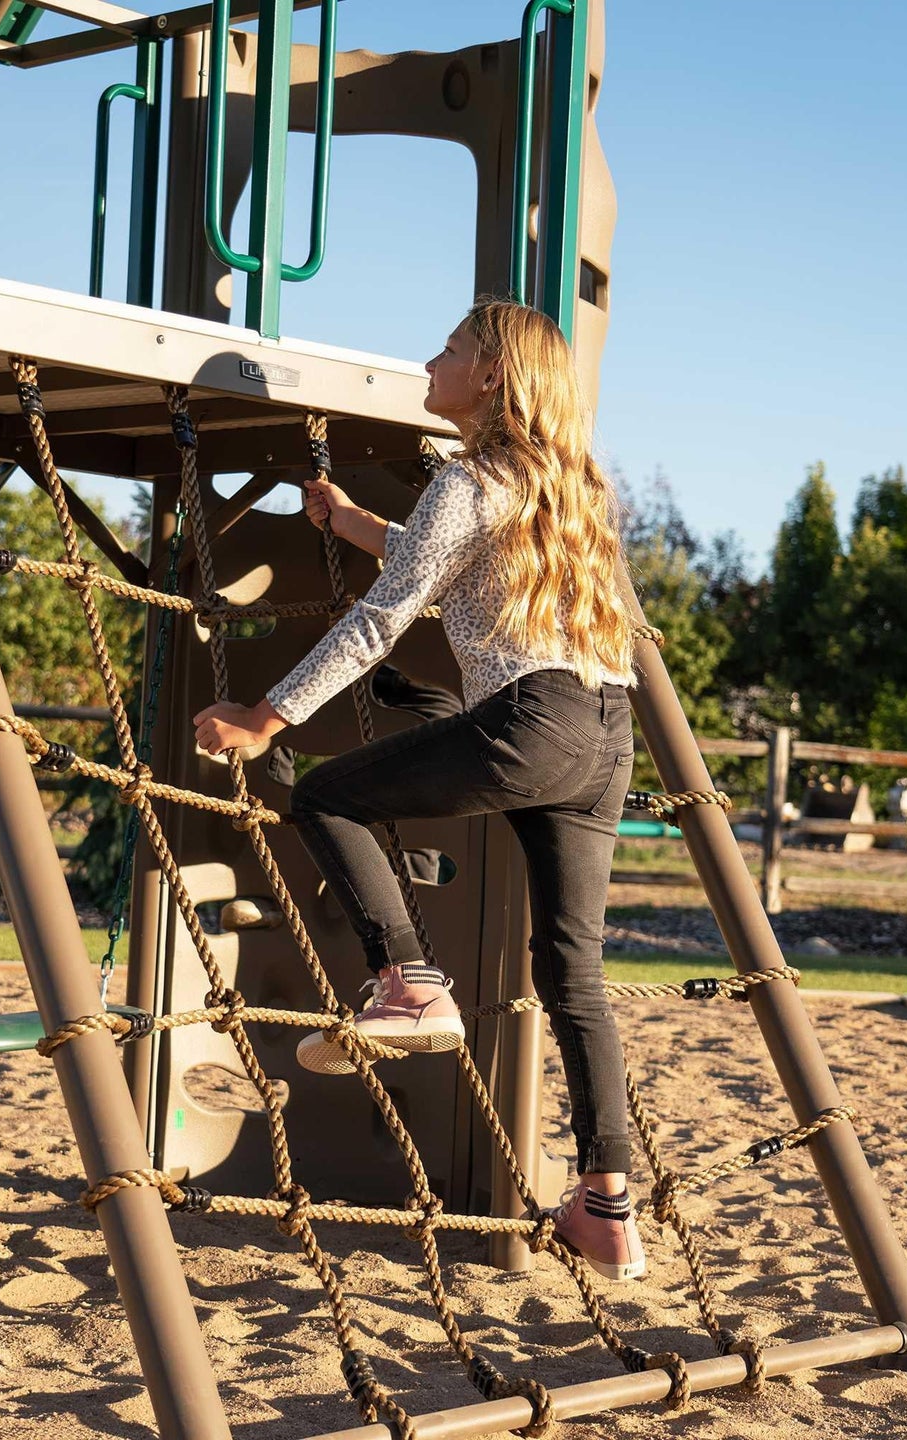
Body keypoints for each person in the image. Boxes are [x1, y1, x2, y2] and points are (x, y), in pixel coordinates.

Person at [194, 298, 644, 1281]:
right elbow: (441, 559)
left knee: (326, 796)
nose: (430, 363)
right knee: (573, 973)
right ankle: (608, 1202)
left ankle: (406, 982)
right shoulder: (571, 485)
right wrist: (355, 522)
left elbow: (379, 622)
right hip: (609, 733)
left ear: (490, 377)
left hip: (533, 720)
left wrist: (266, 716)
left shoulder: (470, 479)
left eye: (448, 350)